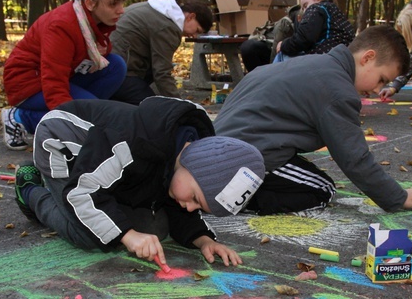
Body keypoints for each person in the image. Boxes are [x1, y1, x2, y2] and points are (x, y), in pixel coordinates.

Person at [14, 97, 265, 267]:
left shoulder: (181, 161)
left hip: (104, 169)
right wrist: (126, 234)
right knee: (91, 233)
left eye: (198, 207)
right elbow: (82, 192)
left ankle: (66, 201)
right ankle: (31, 191)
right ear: (193, 166)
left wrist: (204, 240)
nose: (190, 207)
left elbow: (176, 205)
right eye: (196, 200)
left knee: (153, 229)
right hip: (62, 147)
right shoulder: (134, 145)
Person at [214, 25, 412, 215]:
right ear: (367, 57)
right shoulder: (337, 89)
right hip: (247, 157)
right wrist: (397, 197)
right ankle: (231, 199)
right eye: (382, 79)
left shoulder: (314, 63)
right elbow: (354, 158)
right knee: (322, 188)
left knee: (302, 171)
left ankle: (221, 185)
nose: (379, 89)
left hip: (214, 149)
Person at [1, 0, 129, 150]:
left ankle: (86, 120)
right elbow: (53, 79)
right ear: (91, 3)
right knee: (92, 119)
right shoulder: (62, 26)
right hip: (27, 81)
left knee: (116, 66)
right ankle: (20, 118)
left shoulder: (88, 18)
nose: (121, 10)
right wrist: (72, 120)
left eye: (122, 3)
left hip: (60, 75)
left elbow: (96, 52)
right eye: (113, 4)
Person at [109, 0, 213, 105]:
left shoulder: (157, 9)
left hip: (111, 62)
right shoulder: (168, 27)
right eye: (197, 30)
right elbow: (162, 72)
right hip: (120, 72)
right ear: (191, 17)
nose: (194, 36)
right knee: (151, 107)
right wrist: (180, 105)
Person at [273, 0, 355, 61]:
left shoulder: (316, 8)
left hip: (323, 59)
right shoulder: (336, 13)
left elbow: (304, 39)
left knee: (282, 55)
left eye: (305, 5)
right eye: (303, 8)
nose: (305, 11)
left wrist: (283, 44)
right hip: (342, 59)